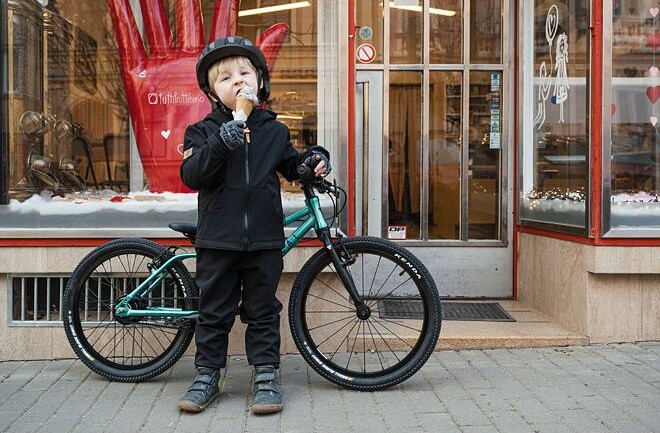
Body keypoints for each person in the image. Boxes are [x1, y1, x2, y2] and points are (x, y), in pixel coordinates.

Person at [178, 36, 330, 414]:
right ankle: (206, 376)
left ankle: (265, 375)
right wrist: (221, 142)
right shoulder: (200, 131)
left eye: (245, 73)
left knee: (263, 311)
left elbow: (292, 167)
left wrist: (313, 160)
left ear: (260, 82)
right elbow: (192, 175)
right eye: (225, 77)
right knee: (214, 312)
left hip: (263, 238)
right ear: (213, 92)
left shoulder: (274, 131)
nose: (238, 81)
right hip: (218, 239)